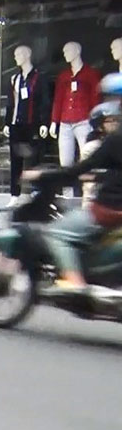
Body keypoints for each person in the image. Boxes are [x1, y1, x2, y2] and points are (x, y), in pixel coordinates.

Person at [33, 100, 122, 292]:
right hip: (108, 207)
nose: (114, 122)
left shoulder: (113, 141)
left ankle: (76, 284)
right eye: (110, 120)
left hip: (108, 208)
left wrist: (42, 176)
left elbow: (78, 169)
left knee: (56, 233)